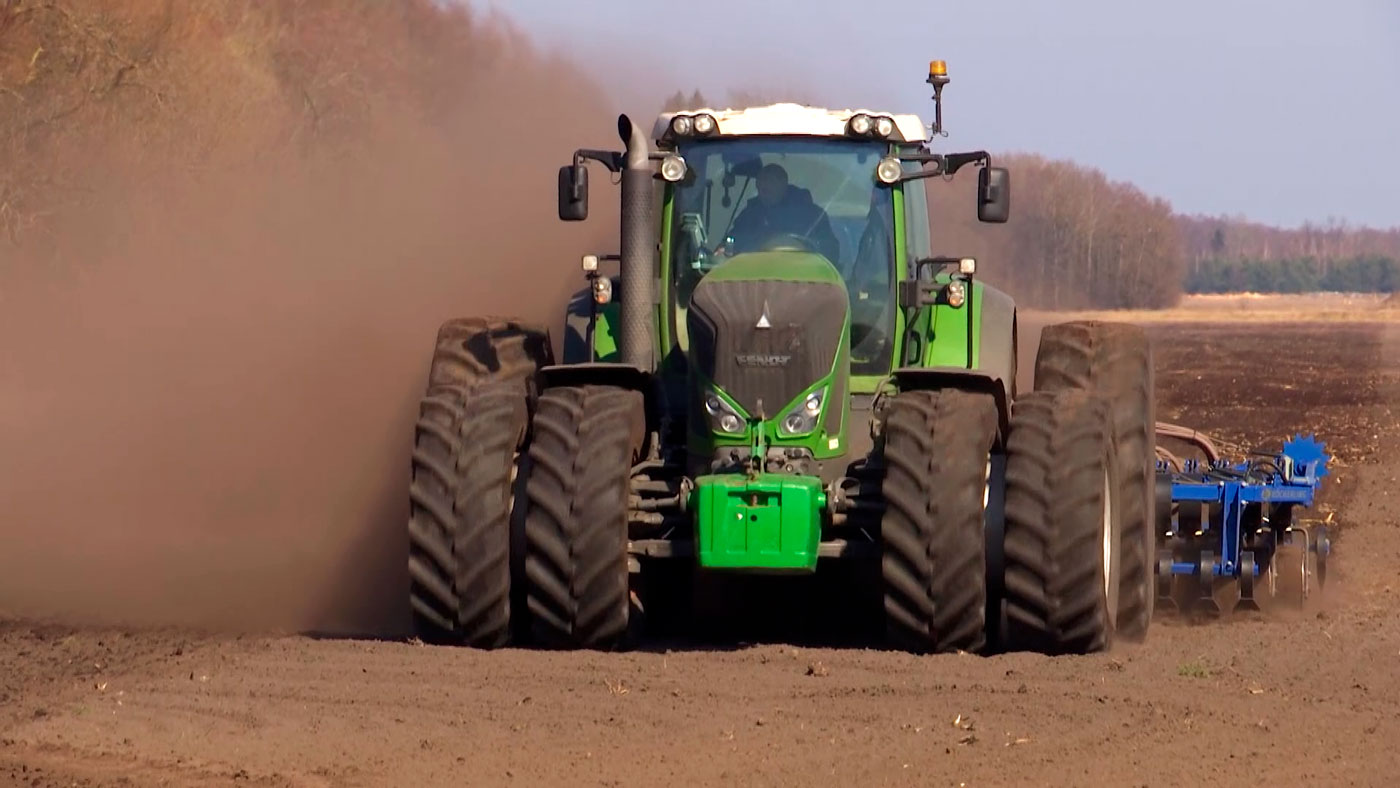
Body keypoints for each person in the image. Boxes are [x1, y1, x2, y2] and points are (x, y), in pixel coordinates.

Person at [726, 163, 841, 262]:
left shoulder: (813, 215)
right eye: (761, 183)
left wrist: (807, 251)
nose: (764, 187)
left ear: (784, 184)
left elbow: (831, 252)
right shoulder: (749, 215)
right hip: (757, 280)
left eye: (771, 181)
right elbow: (733, 242)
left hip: (805, 281)